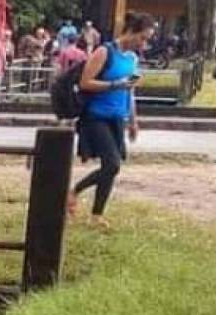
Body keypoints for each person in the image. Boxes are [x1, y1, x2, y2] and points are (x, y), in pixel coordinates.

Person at [68, 12, 156, 228]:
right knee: (112, 164)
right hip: (96, 116)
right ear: (131, 32)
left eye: (147, 40)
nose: (144, 44)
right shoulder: (104, 52)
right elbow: (85, 82)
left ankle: (97, 215)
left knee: (111, 167)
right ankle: (73, 191)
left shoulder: (133, 59)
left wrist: (133, 120)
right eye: (142, 38)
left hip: (117, 117)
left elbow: (130, 91)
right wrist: (114, 84)